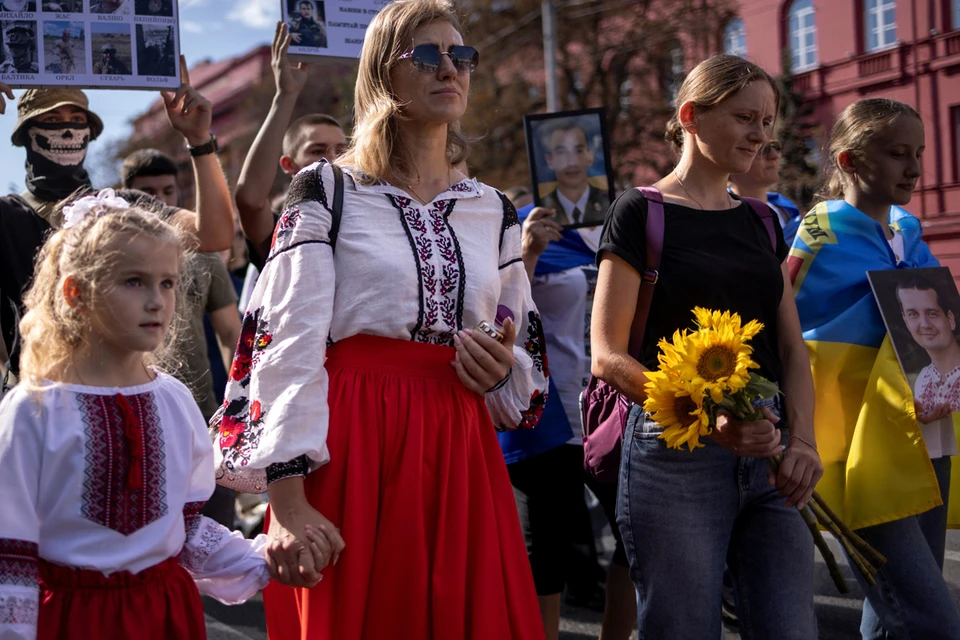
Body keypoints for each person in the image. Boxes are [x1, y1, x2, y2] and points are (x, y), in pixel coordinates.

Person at [210, 1, 548, 638]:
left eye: (461, 55)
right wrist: (285, 499)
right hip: (355, 440)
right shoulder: (328, 190)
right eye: (427, 54)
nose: (450, 68)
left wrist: (502, 369)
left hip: (459, 445)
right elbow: (288, 341)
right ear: (381, 75)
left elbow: (520, 355)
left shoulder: (493, 210)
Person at [0, 195, 331, 638]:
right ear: (75, 292)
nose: (157, 301)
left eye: (168, 283)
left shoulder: (173, 400)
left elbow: (185, 529)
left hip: (164, 613)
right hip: (72, 619)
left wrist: (264, 558)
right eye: (134, 282)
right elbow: (11, 553)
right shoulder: (32, 410)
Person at [591, 54, 821, 639]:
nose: (761, 134)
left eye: (768, 121)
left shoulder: (764, 222)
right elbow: (607, 355)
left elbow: (791, 349)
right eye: (746, 117)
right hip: (673, 456)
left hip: (770, 457)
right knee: (684, 629)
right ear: (691, 115)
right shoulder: (641, 210)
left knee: (792, 629)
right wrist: (709, 417)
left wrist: (804, 443)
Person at [790, 98, 960, 640]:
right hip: (859, 443)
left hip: (927, 428)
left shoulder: (910, 231)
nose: (914, 167)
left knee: (894, 615)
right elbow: (780, 322)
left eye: (919, 153)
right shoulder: (820, 232)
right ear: (849, 161)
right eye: (896, 154)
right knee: (929, 616)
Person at [0, 84, 235, 381]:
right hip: (39, 399)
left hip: (121, 393)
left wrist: (200, 141)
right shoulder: (7, 217)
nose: (67, 131)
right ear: (25, 135)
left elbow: (214, 235)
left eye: (77, 120)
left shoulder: (124, 207)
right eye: (51, 121)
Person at [504, 198, 636, 640]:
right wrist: (529, 252)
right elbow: (493, 308)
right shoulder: (525, 222)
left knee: (638, 532)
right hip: (545, 411)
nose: (572, 163)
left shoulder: (623, 224)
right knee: (545, 550)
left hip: (607, 407)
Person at [235, 22, 347, 270]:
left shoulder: (372, 215)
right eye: (317, 151)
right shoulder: (284, 231)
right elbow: (250, 201)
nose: (331, 160)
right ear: (288, 164)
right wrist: (285, 95)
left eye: (341, 150)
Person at [898, 275, 960, 418]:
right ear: (906, 321)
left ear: (950, 319)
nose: (924, 324)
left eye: (932, 313)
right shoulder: (923, 378)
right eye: (913, 314)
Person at [729, 140, 802, 246]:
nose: (775, 155)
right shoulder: (719, 217)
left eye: (775, 147)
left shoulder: (789, 214)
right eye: (761, 149)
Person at [539, 120, 609, 227]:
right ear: (549, 160)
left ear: (590, 156)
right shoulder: (542, 209)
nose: (572, 162)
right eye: (561, 152)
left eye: (579, 150)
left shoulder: (609, 203)